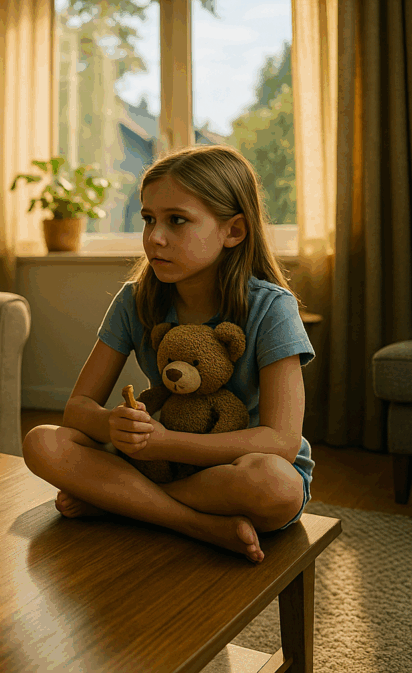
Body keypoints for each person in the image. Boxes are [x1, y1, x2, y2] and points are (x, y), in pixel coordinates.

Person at [21, 144, 314, 564]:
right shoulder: (134, 301)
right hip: (160, 463)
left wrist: (163, 443)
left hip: (234, 470)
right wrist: (114, 424)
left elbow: (281, 442)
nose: (154, 237)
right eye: (148, 219)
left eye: (177, 220)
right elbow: (77, 410)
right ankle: (193, 523)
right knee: (41, 443)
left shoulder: (271, 307)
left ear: (233, 231)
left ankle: (120, 505)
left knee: (277, 487)